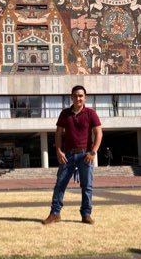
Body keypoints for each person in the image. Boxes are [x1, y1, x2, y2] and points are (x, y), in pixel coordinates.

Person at [42, 85, 103, 225]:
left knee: (87, 186)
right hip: (67, 155)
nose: (78, 98)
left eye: (81, 96)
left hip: (85, 155)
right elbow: (58, 133)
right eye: (75, 95)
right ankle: (55, 214)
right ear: (71, 97)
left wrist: (93, 151)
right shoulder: (65, 114)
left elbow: (98, 133)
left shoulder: (91, 113)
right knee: (60, 185)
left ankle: (86, 214)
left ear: (85, 98)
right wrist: (58, 150)